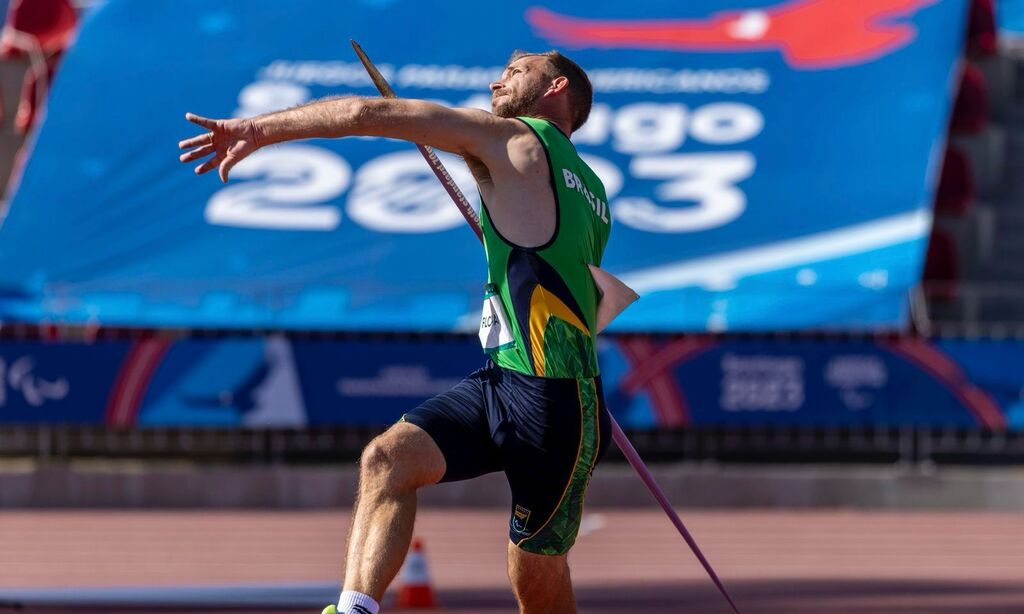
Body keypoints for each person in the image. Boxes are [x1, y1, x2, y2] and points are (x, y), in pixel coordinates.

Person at [179, 49, 633, 614]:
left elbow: (366, 113)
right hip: (507, 380)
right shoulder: (591, 188)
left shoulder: (516, 139)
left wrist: (259, 129)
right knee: (387, 460)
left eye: (517, 72)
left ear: (555, 87)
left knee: (535, 580)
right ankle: (353, 610)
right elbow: (586, 291)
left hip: (560, 405)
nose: (497, 78)